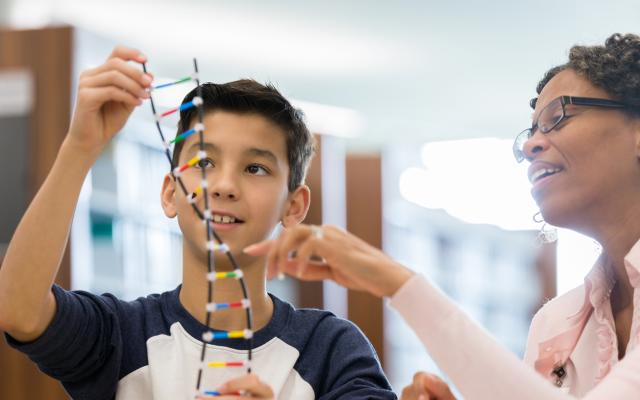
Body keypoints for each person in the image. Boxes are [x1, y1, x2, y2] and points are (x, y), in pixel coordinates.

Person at [244, 33, 640, 399]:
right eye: (531, 130)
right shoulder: (556, 322)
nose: (532, 144)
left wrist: (398, 283)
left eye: (557, 117)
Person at [0, 46, 396, 400]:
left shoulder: (331, 350)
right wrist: (80, 147)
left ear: (294, 206)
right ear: (171, 193)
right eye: (204, 163)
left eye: (255, 168)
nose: (224, 186)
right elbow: (19, 310)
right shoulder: (123, 335)